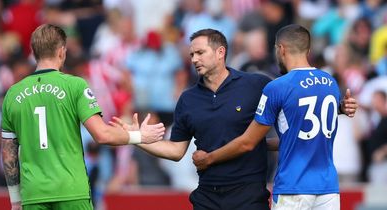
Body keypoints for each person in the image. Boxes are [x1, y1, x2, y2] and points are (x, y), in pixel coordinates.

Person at [111, 28, 357, 210]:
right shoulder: (188, 100)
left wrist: (338, 108)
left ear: (221, 52)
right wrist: (134, 137)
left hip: (249, 196)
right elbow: (176, 151)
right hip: (207, 196)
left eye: (200, 52)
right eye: (191, 54)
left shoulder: (256, 84)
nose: (194, 59)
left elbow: (297, 102)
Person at [192, 24, 358, 210]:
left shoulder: (278, 87)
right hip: (328, 188)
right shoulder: (329, 83)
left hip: (293, 187)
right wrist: (341, 109)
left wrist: (209, 159)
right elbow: (302, 130)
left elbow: (248, 142)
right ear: (308, 50)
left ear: (281, 49)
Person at [1, 24, 165, 210]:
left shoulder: (13, 94)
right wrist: (140, 136)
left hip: (33, 193)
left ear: (33, 51)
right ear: (62, 51)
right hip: (71, 191)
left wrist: (15, 200)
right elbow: (102, 134)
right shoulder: (76, 85)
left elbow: (8, 154)